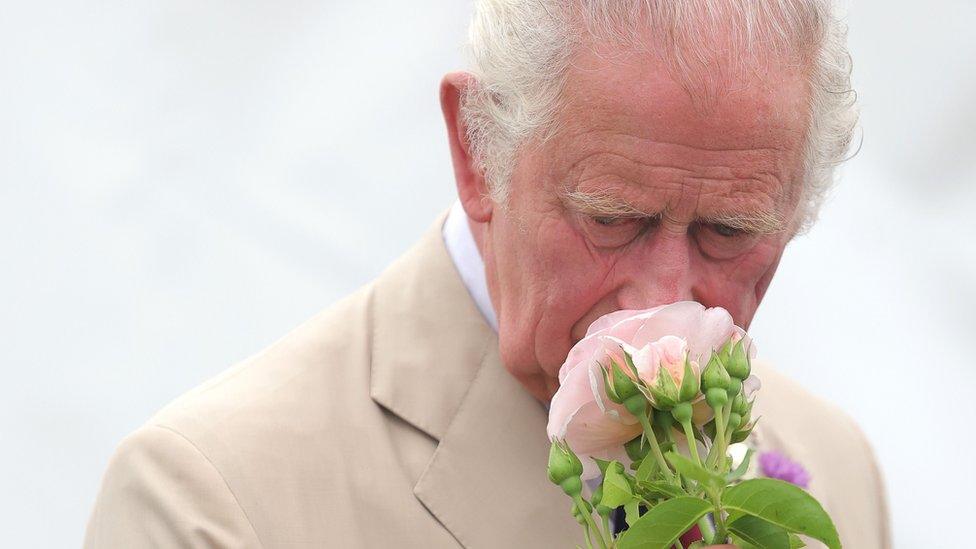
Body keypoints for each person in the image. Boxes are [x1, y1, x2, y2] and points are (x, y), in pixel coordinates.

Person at [85, 1, 890, 547]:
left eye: (729, 230)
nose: (663, 296)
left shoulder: (835, 468)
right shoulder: (213, 499)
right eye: (611, 216)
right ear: (477, 152)